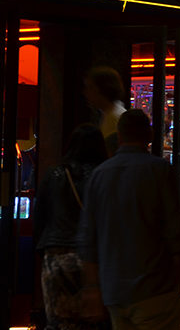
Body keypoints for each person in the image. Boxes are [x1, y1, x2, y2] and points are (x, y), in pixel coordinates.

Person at [79, 109, 180, 330]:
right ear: (149, 136)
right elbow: (175, 231)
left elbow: (87, 238)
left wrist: (93, 287)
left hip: (114, 289)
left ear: (119, 136)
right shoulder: (160, 171)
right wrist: (175, 276)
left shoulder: (99, 175)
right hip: (155, 288)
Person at [35, 123, 108, 330]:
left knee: (59, 322)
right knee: (95, 322)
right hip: (93, 261)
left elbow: (40, 218)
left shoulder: (54, 174)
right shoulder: (102, 176)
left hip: (56, 256)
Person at [83, 66, 127, 157]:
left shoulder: (114, 118)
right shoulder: (111, 114)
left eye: (90, 87)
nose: (86, 93)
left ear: (100, 89)